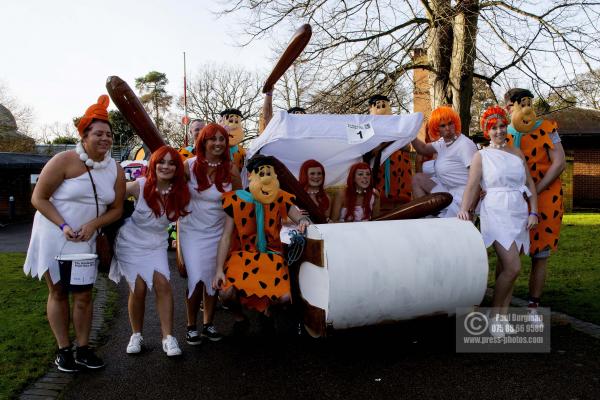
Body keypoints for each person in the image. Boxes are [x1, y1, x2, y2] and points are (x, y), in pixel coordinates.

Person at [24, 95, 125, 372]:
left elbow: (116, 209)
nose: (105, 139)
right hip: (54, 235)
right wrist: (63, 226)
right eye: (98, 133)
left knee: (83, 294)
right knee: (57, 291)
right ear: (84, 134)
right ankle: (63, 350)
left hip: (86, 240)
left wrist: (93, 225)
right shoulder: (64, 160)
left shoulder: (115, 170)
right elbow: (39, 198)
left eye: (109, 134)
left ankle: (83, 348)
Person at [458, 106, 538, 336]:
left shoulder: (517, 153)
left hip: (518, 211)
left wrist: (534, 211)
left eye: (502, 126)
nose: (499, 131)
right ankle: (494, 316)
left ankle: (503, 317)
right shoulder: (480, 155)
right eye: (494, 128)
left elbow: (530, 184)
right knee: (513, 267)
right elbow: (472, 186)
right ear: (486, 130)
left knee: (505, 267)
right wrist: (465, 210)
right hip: (495, 211)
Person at [109, 146, 190, 356]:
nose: (166, 166)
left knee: (163, 284)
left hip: (156, 244)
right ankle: (136, 334)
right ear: (153, 163)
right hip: (130, 243)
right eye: (162, 161)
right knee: (139, 288)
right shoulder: (141, 185)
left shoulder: (180, 191)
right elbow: (112, 195)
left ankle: (168, 338)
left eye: (172, 163)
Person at [212, 155, 310, 319]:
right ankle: (238, 315)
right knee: (226, 294)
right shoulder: (236, 200)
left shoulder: (279, 196)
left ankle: (269, 310)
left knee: (285, 298)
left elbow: (298, 216)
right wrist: (219, 270)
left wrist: (303, 221)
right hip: (242, 255)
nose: (265, 178)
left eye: (269, 173)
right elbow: (226, 237)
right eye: (260, 173)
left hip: (272, 256)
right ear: (250, 175)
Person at [178, 123, 242, 345]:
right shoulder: (188, 166)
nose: (217, 143)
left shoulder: (232, 170)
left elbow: (237, 205)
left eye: (222, 139)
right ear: (203, 142)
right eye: (212, 139)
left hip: (218, 232)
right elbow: (173, 195)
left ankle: (208, 323)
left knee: (213, 279)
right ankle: (190, 326)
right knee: (196, 279)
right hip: (192, 232)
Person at [504, 88, 566, 316]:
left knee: (540, 255)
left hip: (546, 199)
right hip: (513, 201)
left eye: (527, 103)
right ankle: (503, 305)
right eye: (517, 104)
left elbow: (559, 162)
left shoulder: (547, 128)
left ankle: (532, 306)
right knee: (508, 251)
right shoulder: (502, 132)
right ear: (507, 107)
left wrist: (536, 190)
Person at [411, 106, 478, 217]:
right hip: (447, 192)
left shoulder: (464, 145)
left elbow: (477, 178)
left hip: (463, 199)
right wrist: (410, 134)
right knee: (417, 179)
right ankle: (427, 221)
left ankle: (433, 221)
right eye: (443, 125)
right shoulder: (443, 142)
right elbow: (422, 148)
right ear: (436, 129)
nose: (448, 128)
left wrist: (470, 209)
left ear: (455, 123)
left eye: (450, 123)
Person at [367, 94, 413, 207]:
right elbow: (366, 150)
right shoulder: (367, 126)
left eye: (384, 104)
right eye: (378, 105)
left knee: (401, 198)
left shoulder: (398, 125)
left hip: (399, 167)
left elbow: (407, 147)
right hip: (379, 167)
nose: (381, 107)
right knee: (379, 198)